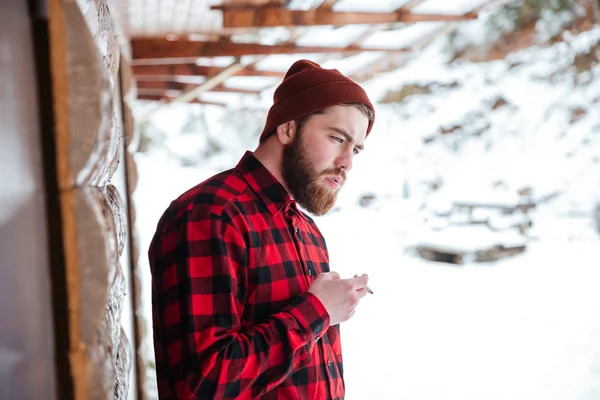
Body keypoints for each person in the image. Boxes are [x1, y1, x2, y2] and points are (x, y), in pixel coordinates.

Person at [148, 59, 376, 400]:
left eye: (355, 148)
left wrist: (323, 311)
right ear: (287, 129)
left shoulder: (308, 231)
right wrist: (318, 311)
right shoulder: (209, 215)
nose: (347, 162)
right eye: (337, 138)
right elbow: (203, 384)